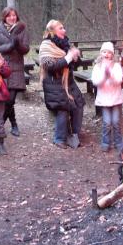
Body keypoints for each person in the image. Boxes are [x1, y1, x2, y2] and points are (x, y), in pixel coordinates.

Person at [39, 20, 85, 149]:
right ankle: (59, 139)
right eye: (61, 28)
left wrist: (76, 58)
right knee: (63, 109)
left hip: (68, 82)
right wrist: (69, 57)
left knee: (79, 105)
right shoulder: (46, 45)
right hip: (54, 84)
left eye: (64, 27)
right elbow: (50, 66)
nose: (64, 30)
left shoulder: (65, 44)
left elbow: (74, 65)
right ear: (52, 31)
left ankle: (74, 134)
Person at [0, 7, 30, 136]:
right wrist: (10, 46)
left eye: (14, 15)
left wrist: (18, 44)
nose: (12, 18)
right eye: (9, 16)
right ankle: (14, 125)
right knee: (6, 99)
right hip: (3, 68)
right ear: (4, 17)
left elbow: (26, 48)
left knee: (10, 100)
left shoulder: (22, 29)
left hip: (16, 68)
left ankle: (0, 125)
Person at [91, 42, 123, 152]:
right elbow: (96, 82)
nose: (107, 54)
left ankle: (118, 142)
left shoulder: (116, 66)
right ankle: (105, 142)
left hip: (116, 98)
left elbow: (119, 80)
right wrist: (104, 76)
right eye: (104, 52)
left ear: (113, 55)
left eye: (109, 52)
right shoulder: (97, 67)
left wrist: (111, 75)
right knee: (107, 122)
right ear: (101, 53)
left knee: (116, 121)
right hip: (104, 100)